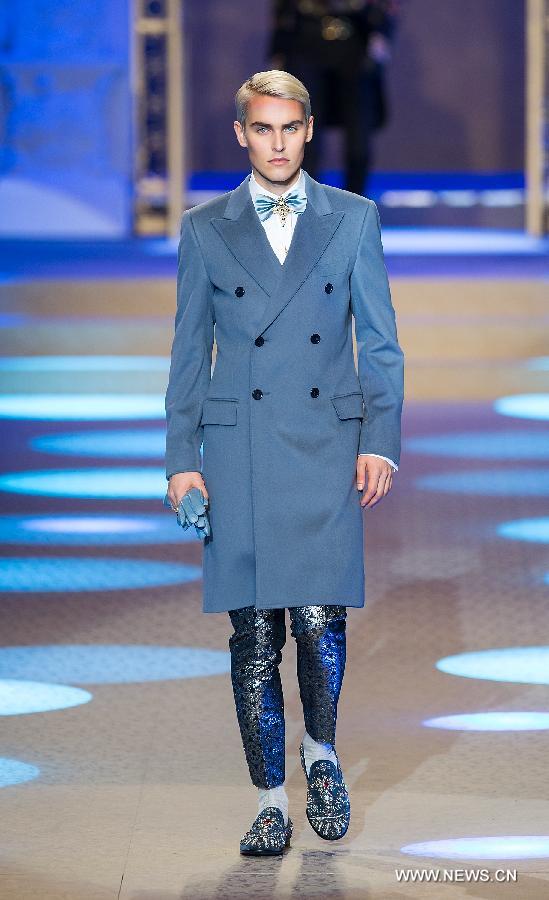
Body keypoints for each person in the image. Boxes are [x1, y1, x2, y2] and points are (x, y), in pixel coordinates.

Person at [164, 70, 404, 856]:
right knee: (255, 634)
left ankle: (321, 755)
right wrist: (181, 457)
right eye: (262, 129)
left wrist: (378, 439)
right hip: (238, 449)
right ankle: (269, 799)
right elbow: (188, 351)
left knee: (319, 619)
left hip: (324, 442)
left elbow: (380, 343)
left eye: (290, 128)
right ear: (241, 134)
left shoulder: (352, 218)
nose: (277, 144)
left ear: (307, 130)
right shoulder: (205, 228)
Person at [268, 0, 400, 195]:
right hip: (305, 37)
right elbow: (282, 12)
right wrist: (279, 48)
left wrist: (382, 35)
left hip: (357, 38)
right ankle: (305, 202)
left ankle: (356, 203)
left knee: (359, 138)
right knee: (304, 135)